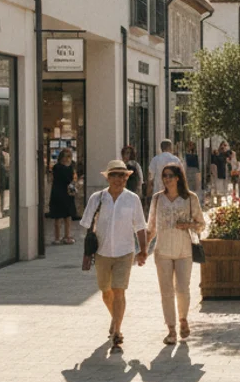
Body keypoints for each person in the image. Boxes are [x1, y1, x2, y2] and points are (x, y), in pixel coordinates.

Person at [81, 160, 148, 352]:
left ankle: (117, 331)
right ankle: (115, 318)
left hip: (124, 252)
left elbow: (140, 226)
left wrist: (143, 250)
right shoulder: (97, 198)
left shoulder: (132, 199)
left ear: (127, 178)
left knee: (119, 290)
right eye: (114, 175)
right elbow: (87, 224)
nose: (118, 179)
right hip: (102, 252)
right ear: (108, 178)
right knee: (105, 292)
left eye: (122, 175)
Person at [146, 163, 205, 346]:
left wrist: (187, 225)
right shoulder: (157, 199)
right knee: (166, 292)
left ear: (178, 177)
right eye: (164, 176)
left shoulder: (190, 198)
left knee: (182, 289)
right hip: (162, 251)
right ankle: (171, 328)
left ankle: (183, 319)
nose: (167, 179)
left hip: (183, 250)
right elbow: (151, 227)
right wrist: (143, 250)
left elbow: (201, 224)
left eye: (171, 175)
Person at [49, 148, 78, 245]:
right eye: (65, 157)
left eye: (68, 157)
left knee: (66, 217)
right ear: (61, 158)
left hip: (63, 194)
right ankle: (60, 237)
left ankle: (65, 236)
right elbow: (68, 180)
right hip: (61, 194)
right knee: (60, 217)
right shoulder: (60, 168)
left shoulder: (63, 167)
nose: (67, 159)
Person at [209, 142, 231, 206]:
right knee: (216, 188)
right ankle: (215, 202)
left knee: (220, 189)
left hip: (222, 173)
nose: (223, 147)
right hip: (217, 173)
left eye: (225, 145)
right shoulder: (216, 154)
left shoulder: (226, 154)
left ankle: (219, 203)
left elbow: (229, 158)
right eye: (222, 145)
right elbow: (213, 162)